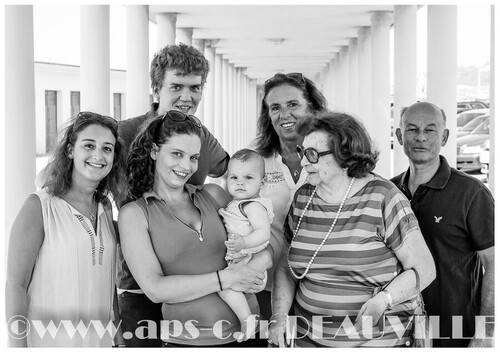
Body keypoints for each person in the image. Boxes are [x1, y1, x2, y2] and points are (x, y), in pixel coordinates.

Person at [268, 111, 436, 347]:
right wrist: (279, 316)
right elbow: (286, 268)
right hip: (309, 342)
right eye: (301, 152)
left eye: (312, 154)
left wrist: (385, 300)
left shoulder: (384, 197)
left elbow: (425, 269)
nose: (303, 162)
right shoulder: (303, 198)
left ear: (344, 156)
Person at [118, 113, 272, 347]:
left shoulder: (214, 195)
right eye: (177, 154)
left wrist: (258, 265)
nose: (186, 166)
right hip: (187, 342)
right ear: (154, 151)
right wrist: (226, 278)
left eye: (194, 157)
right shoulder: (135, 214)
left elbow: (266, 241)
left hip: (250, 335)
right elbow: (155, 289)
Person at [116, 43, 229, 346]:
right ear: (156, 88)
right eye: (176, 86)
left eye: (195, 87)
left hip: (195, 283)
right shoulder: (123, 135)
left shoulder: (200, 135)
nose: (187, 96)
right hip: (141, 286)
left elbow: (234, 170)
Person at [6, 112, 126, 347]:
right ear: (70, 151)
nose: (98, 156)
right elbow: (15, 286)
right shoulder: (38, 206)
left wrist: (118, 340)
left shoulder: (104, 208)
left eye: (107, 148)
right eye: (89, 145)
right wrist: (17, 349)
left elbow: (106, 282)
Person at [391, 101, 494, 347]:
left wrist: (484, 334)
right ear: (399, 136)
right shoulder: (389, 191)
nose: (421, 138)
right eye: (412, 130)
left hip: (455, 331)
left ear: (445, 136)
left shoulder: (471, 193)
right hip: (399, 330)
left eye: (430, 130)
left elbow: (494, 264)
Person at [252, 72, 328, 320]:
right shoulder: (254, 163)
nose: (284, 114)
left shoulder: (333, 161)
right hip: (266, 287)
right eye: (275, 107)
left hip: (320, 289)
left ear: (313, 108)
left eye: (293, 104)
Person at [217, 149, 274, 341]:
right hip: (241, 259)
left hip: (251, 262)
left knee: (224, 286)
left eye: (248, 177)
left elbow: (263, 232)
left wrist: (243, 243)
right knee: (225, 284)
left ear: (262, 183)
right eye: (233, 177)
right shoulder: (237, 203)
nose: (239, 182)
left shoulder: (254, 205)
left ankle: (246, 319)